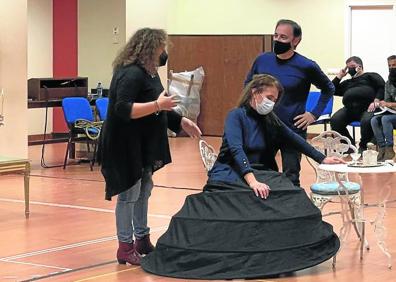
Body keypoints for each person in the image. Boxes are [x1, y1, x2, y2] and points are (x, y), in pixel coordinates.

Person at [141, 74, 343, 280]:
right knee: (248, 203)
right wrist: (252, 180)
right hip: (231, 172)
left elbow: (293, 138)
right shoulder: (236, 116)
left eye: (274, 100)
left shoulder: (270, 119)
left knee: (291, 196)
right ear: (254, 93)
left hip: (260, 171)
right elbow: (236, 150)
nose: (271, 103)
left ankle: (275, 255)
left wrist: (322, 159)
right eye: (269, 97)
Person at [98, 28, 201, 266]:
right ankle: (125, 246)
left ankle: (142, 238)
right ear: (150, 48)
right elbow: (123, 109)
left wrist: (181, 120)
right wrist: (157, 104)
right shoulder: (130, 74)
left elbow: (161, 106)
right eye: (162, 48)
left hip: (144, 143)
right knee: (129, 194)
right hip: (124, 143)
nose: (164, 53)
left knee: (145, 189)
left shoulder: (151, 73)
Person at [245, 19, 334, 187]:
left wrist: (313, 114)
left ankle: (292, 209)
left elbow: (328, 88)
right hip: (263, 126)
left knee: (291, 176)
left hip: (292, 128)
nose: (278, 40)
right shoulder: (262, 60)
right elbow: (248, 85)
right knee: (261, 172)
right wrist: (252, 104)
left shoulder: (307, 66)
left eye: (283, 37)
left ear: (295, 41)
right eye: (276, 35)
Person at [330, 56, 385, 152]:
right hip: (349, 109)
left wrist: (376, 100)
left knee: (366, 121)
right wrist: (339, 76)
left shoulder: (371, 76)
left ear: (360, 66)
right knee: (335, 120)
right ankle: (350, 146)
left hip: (368, 107)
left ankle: (363, 147)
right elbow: (331, 90)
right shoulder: (347, 82)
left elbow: (382, 87)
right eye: (348, 67)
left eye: (352, 66)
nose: (350, 69)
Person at [371, 55, 396, 161]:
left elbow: (391, 103)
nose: (392, 68)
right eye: (389, 65)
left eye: (394, 65)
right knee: (374, 120)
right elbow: (387, 100)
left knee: (385, 119)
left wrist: (391, 104)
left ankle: (390, 149)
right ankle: (382, 148)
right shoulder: (388, 82)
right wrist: (383, 104)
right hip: (393, 113)